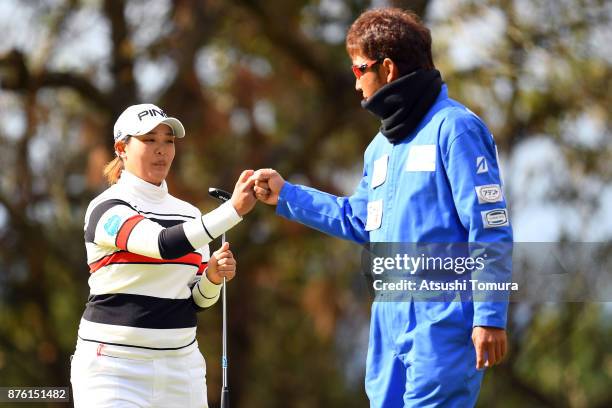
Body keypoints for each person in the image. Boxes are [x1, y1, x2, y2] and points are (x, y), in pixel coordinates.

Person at [252, 8, 512, 408]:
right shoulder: (380, 148)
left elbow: (490, 228)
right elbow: (360, 219)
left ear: (387, 68)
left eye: (358, 70)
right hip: (387, 322)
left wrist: (489, 316)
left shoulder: (456, 128)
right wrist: (286, 195)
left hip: (441, 323)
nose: (355, 84)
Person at [70, 103, 257, 407]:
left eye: (168, 141)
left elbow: (197, 301)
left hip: (181, 370)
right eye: (149, 140)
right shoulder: (107, 208)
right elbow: (161, 244)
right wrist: (232, 211)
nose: (162, 150)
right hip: (113, 370)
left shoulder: (188, 214)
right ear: (122, 148)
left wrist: (211, 276)